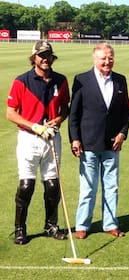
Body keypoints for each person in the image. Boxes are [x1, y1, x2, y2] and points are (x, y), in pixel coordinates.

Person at [6, 40, 69, 244]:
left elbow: (65, 109)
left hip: (51, 137)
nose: (45, 59)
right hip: (29, 138)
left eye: (48, 55)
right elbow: (10, 113)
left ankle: (51, 226)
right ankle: (20, 229)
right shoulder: (22, 81)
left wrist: (58, 120)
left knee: (52, 185)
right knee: (27, 185)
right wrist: (34, 126)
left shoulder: (61, 80)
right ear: (34, 58)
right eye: (41, 55)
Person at [68, 42, 129, 239]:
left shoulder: (120, 80)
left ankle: (110, 224)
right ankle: (82, 225)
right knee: (88, 187)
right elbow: (74, 114)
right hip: (88, 143)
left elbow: (125, 113)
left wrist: (122, 133)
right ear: (95, 59)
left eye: (110, 57)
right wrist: (75, 139)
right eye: (103, 58)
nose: (107, 61)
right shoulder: (81, 80)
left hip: (112, 144)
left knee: (111, 187)